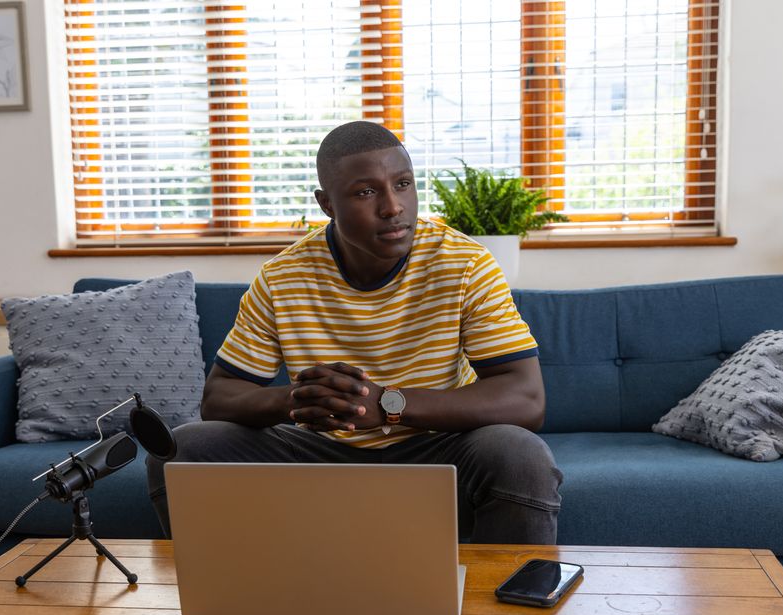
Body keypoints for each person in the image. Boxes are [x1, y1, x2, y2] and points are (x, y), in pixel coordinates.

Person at [147, 121, 562, 543]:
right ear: (327, 203)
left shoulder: (465, 264)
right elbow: (219, 399)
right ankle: (225, 602)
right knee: (182, 450)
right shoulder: (282, 277)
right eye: (366, 192)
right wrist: (299, 400)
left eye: (402, 184)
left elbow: (526, 399)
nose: (393, 206)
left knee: (519, 455)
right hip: (319, 452)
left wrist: (391, 404)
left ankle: (512, 603)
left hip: (437, 451)